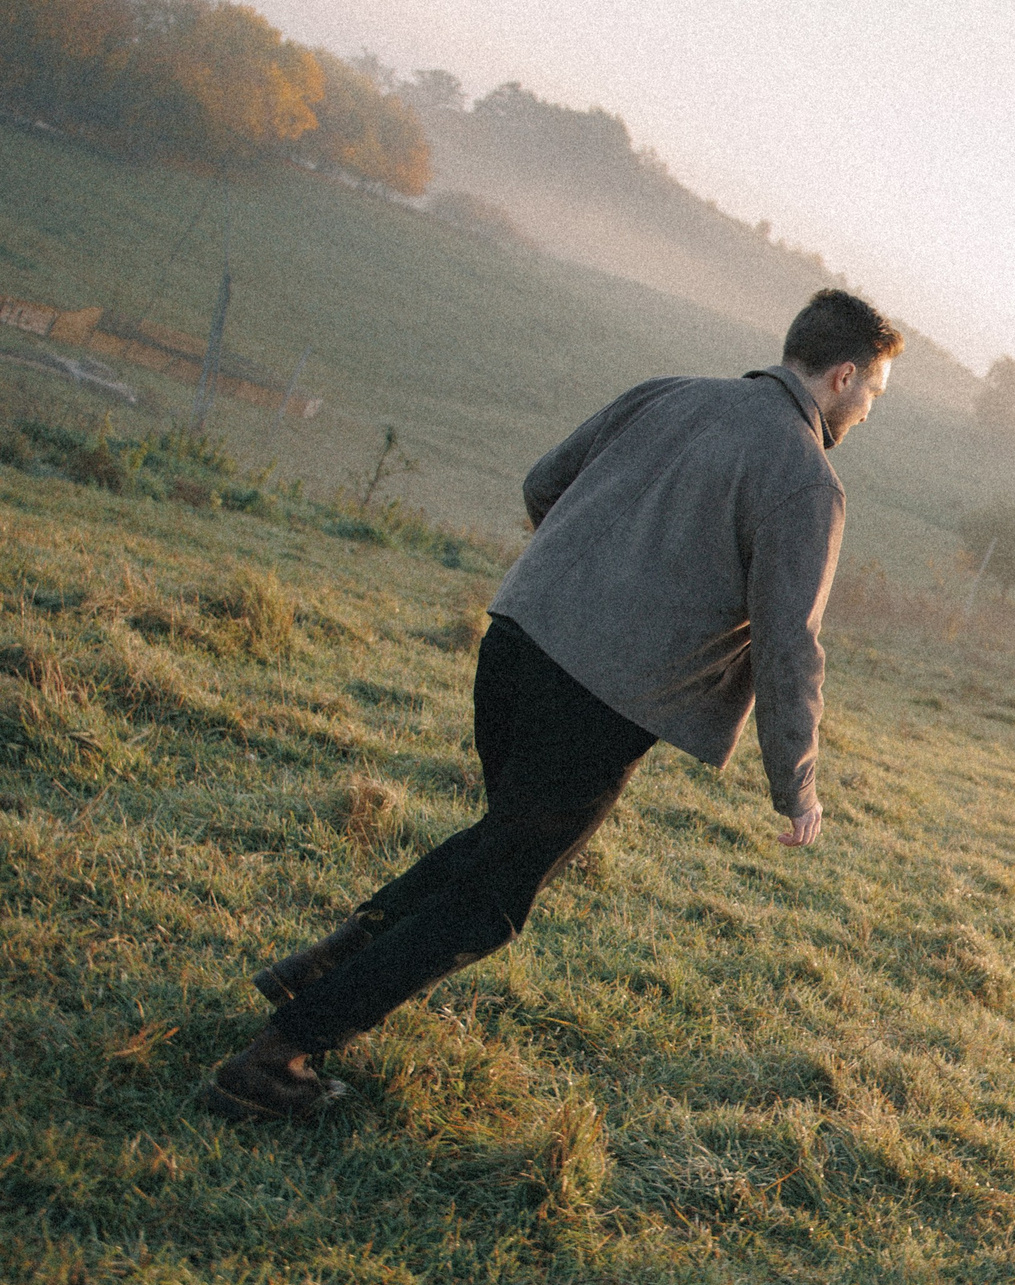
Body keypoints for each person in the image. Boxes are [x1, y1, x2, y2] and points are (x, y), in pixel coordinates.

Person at [198, 290, 903, 1120]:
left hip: (511, 642)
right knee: (494, 902)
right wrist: (799, 784)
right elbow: (790, 644)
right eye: (872, 393)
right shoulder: (805, 481)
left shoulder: (666, 391)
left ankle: (325, 964)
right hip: (595, 704)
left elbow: (543, 485)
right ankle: (276, 1058)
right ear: (843, 377)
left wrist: (585, 574)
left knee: (499, 842)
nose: (867, 410)